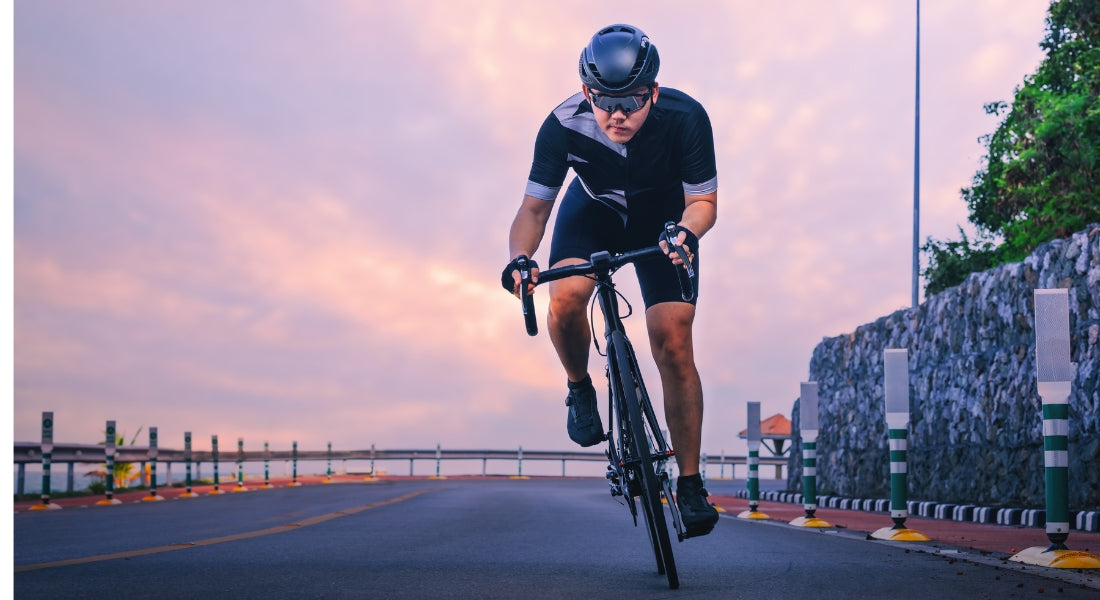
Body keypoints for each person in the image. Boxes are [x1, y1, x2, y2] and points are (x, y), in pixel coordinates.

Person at [501, 24, 719, 538]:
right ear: (585, 92)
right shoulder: (561, 125)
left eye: (633, 101)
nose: (617, 114)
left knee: (674, 341)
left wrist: (686, 233)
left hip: (665, 221)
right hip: (593, 210)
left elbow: (703, 204)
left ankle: (690, 485)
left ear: (654, 93)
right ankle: (579, 387)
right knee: (566, 298)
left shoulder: (685, 118)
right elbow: (533, 210)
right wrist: (519, 258)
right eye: (604, 101)